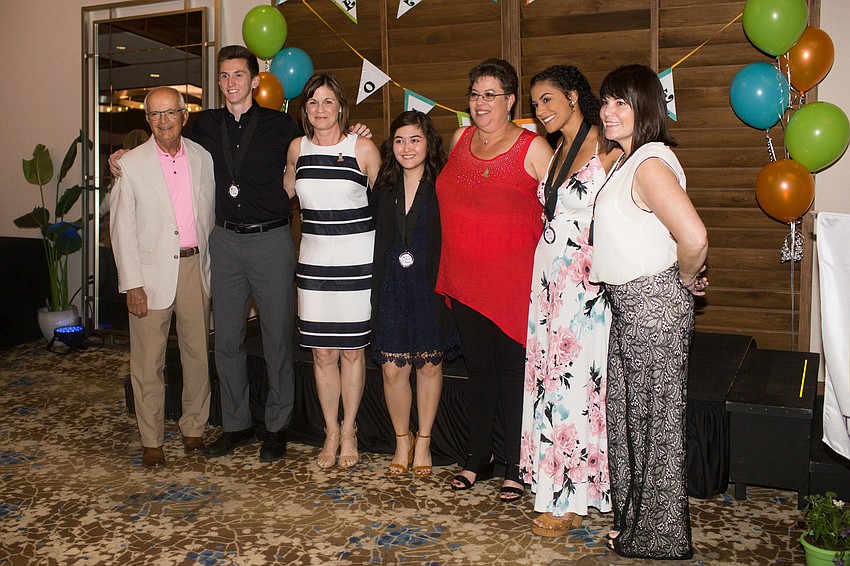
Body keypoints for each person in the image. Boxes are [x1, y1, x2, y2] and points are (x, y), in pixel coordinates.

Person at [590, 64, 708, 560]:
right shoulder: (625, 159)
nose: (609, 111)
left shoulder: (649, 162)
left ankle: (659, 535)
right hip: (630, 306)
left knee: (654, 423)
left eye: (621, 102)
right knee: (629, 419)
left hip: (652, 304)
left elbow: (696, 236)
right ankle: (636, 521)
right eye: (606, 102)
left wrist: (681, 280)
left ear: (646, 107)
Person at [436, 58, 552, 501]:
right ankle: (476, 457)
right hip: (465, 281)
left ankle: (513, 465)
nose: (480, 102)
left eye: (490, 95)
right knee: (477, 372)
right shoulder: (460, 138)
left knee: (512, 377)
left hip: (512, 286)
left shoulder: (533, 148)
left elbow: (565, 210)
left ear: (509, 101)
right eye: (475, 94)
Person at [520, 66, 622, 536]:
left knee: (576, 387)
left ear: (575, 96)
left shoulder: (607, 145)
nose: (540, 111)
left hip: (586, 283)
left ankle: (569, 499)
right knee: (550, 383)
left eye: (547, 100)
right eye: (536, 103)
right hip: (549, 279)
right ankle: (556, 485)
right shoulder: (558, 147)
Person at [109, 87, 215, 468]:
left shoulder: (204, 158)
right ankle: (151, 439)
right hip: (149, 277)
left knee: (197, 357)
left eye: (171, 112)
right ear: (147, 120)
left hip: (194, 269)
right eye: (156, 114)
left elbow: (210, 218)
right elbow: (121, 229)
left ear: (185, 116)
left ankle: (194, 429)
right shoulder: (132, 164)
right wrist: (131, 283)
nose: (165, 120)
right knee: (147, 362)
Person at [284, 72, 381, 469]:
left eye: (327, 101)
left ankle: (350, 431)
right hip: (314, 264)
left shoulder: (363, 147)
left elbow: (390, 205)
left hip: (357, 263)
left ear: (341, 106)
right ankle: (330, 432)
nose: (320, 109)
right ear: (304, 109)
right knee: (323, 354)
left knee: (353, 352)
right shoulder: (297, 148)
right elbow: (281, 193)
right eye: (312, 102)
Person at [370, 111, 457, 477]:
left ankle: (423, 440)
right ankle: (401, 440)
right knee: (392, 370)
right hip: (391, 285)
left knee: (429, 365)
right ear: (392, 145)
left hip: (431, 284)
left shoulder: (445, 184)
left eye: (416, 140)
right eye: (401, 140)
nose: (408, 148)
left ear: (429, 143)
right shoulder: (383, 185)